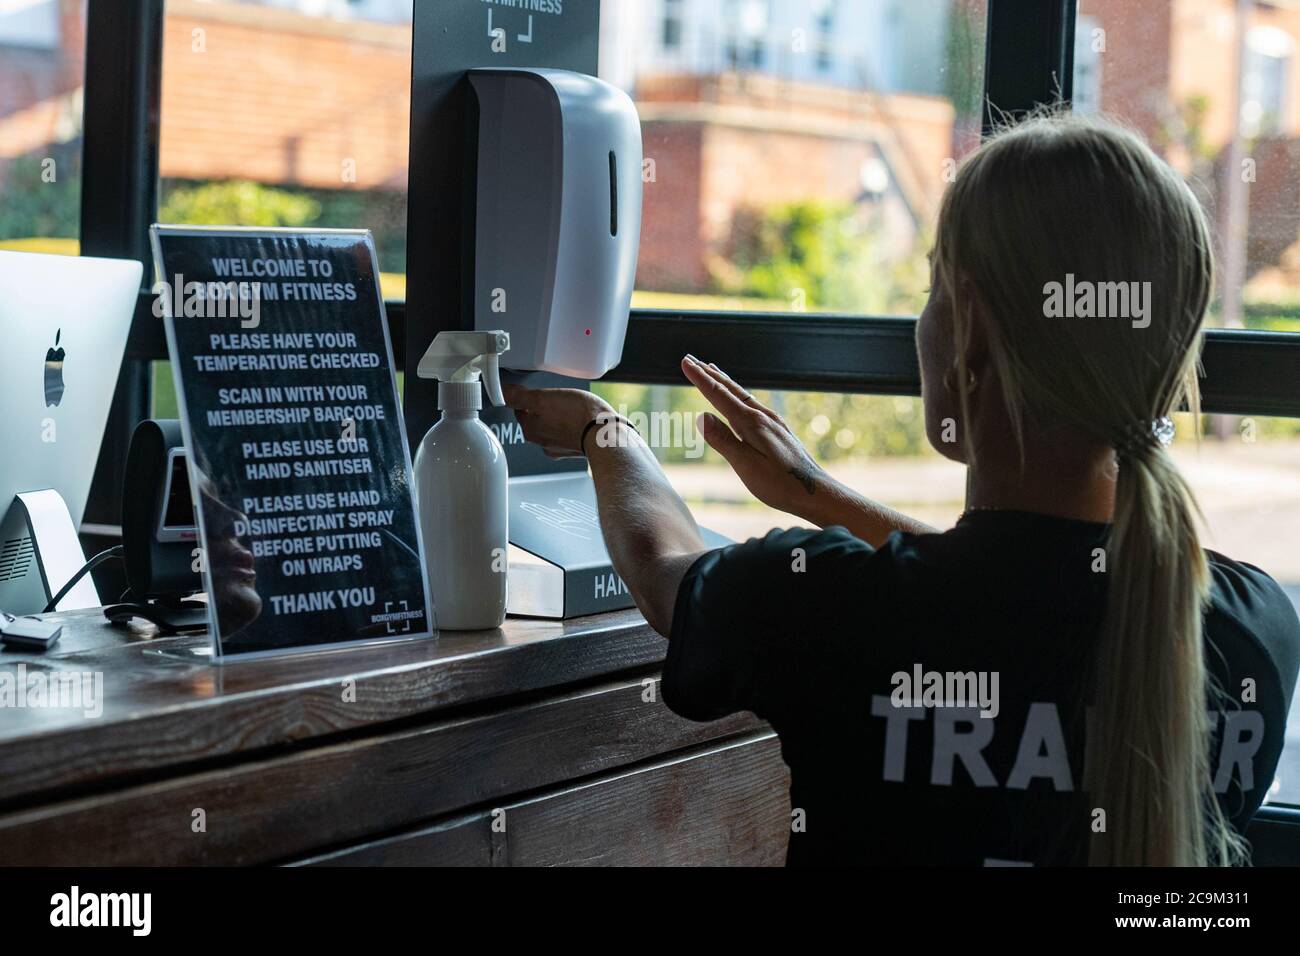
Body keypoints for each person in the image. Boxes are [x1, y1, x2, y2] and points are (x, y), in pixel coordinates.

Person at [504, 113, 1300, 866]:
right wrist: (821, 495)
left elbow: (663, 569)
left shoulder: (831, 613)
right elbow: (1028, 590)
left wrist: (603, 435)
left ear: (974, 331)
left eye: (933, 289)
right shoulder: (1254, 629)